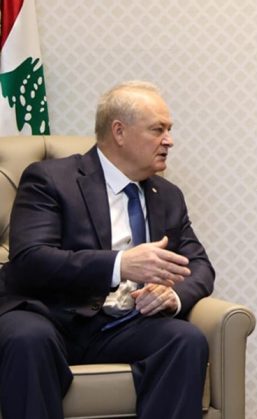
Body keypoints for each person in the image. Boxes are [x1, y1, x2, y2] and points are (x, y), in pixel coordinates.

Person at [0, 81, 215, 418]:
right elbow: (31, 260)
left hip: (123, 324)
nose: (169, 140)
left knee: (185, 339)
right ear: (119, 131)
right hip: (49, 315)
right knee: (26, 338)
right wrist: (120, 264)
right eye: (158, 129)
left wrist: (172, 296)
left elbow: (199, 266)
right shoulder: (50, 179)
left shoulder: (167, 195)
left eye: (169, 130)